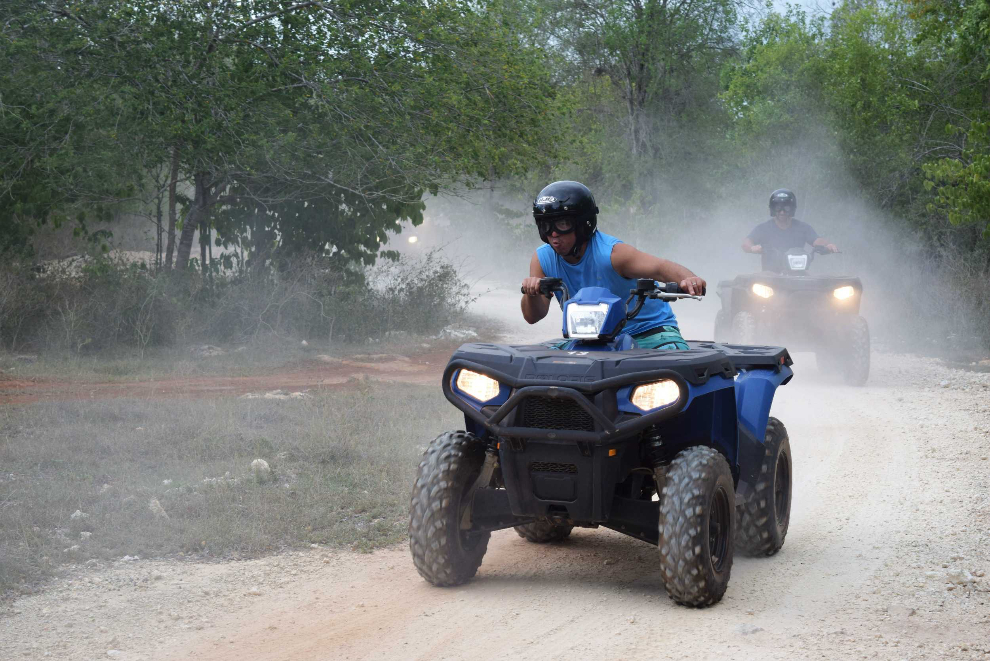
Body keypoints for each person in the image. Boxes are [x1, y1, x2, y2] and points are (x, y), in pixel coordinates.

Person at [520, 181, 705, 350]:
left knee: (669, 376)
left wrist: (688, 279)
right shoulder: (542, 258)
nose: (553, 234)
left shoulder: (612, 254)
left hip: (651, 333)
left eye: (562, 224)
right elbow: (533, 317)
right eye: (545, 225)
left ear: (583, 223)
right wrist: (531, 293)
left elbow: (661, 268)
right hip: (591, 338)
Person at [742, 189, 838, 270]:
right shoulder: (763, 228)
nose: (782, 212)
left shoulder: (802, 227)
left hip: (798, 272)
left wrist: (828, 245)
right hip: (769, 275)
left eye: (786, 208)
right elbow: (746, 242)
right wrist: (752, 248)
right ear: (773, 209)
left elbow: (817, 240)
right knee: (754, 288)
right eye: (778, 208)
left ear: (792, 209)